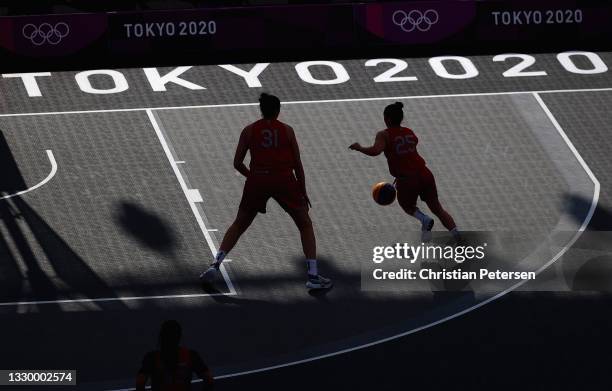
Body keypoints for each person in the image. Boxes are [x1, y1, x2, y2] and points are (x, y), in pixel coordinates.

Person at [200, 93, 332, 290]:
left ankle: (215, 264)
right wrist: (302, 190)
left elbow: (237, 163)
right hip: (284, 181)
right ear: (278, 111)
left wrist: (253, 176)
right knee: (305, 224)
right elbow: (298, 164)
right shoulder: (287, 131)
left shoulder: (249, 130)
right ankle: (312, 276)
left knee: (239, 223)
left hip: (257, 180)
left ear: (261, 110)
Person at [349, 102, 459, 243]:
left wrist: (360, 148)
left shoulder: (384, 134)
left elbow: (375, 151)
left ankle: (424, 219)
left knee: (407, 206)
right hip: (425, 174)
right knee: (438, 208)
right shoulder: (409, 131)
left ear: (387, 119)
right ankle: (458, 236)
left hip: (407, 179)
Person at [136, 320, 213, 391]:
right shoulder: (191, 355)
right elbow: (208, 379)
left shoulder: (152, 357)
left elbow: (140, 383)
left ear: (161, 336)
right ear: (179, 337)